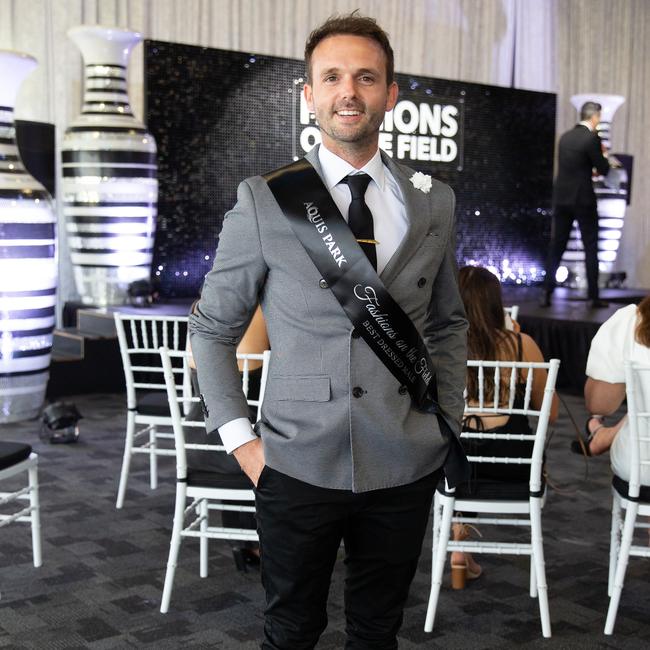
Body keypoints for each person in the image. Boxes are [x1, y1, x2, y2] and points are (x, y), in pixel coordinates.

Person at [190, 12, 468, 648]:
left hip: (403, 459)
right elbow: (211, 329)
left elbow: (449, 321)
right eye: (333, 77)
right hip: (293, 461)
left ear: (390, 94)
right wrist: (242, 443)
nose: (350, 92)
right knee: (290, 631)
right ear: (309, 94)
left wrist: (443, 421)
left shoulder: (434, 202)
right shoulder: (266, 199)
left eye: (367, 78)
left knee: (377, 632)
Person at [453, 266, 559, 588]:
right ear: (495, 304)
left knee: (461, 449)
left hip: (456, 466)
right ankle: (462, 547)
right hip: (513, 465)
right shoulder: (521, 344)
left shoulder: (440, 347)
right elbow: (550, 414)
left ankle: (458, 545)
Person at [185, 303, 269, 571]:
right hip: (244, 444)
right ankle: (265, 542)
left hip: (199, 438)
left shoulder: (199, 308)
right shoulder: (262, 311)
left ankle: (243, 543)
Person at [541, 101, 611, 309]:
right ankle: (593, 296)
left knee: (557, 246)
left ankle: (546, 291)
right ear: (595, 117)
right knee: (591, 247)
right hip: (583, 199)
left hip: (562, 198)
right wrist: (604, 155)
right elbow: (603, 169)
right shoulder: (591, 138)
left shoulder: (565, 137)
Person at [576, 297, 650, 486]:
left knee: (642, 401)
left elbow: (599, 405)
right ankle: (602, 437)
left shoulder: (633, 322)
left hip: (642, 466)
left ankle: (602, 436)